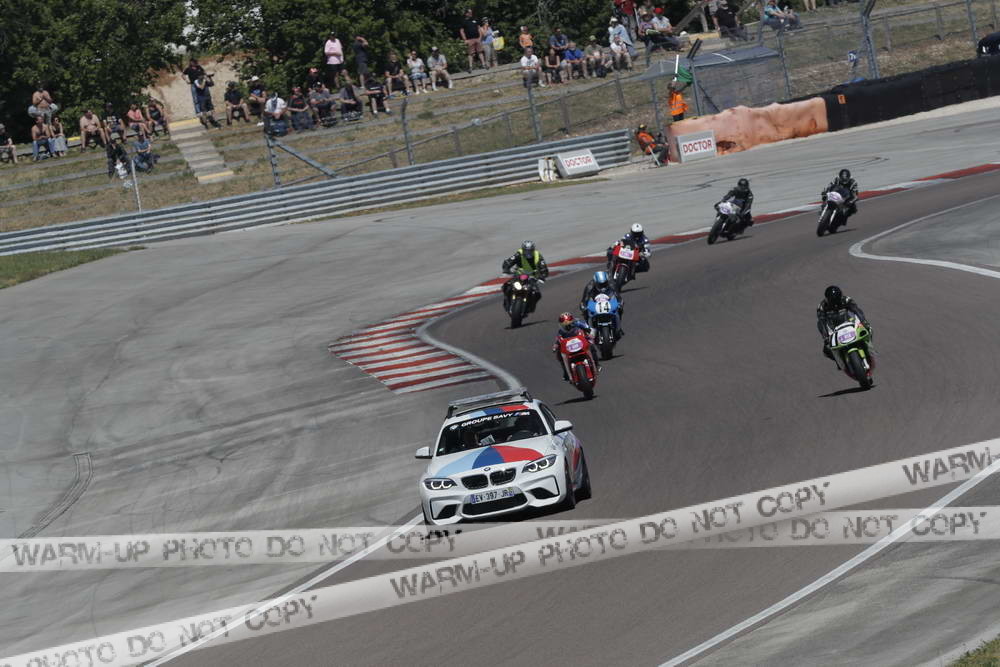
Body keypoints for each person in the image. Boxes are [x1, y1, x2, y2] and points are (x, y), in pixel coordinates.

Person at [816, 285, 869, 360]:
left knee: (868, 330)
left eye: (837, 300)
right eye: (833, 301)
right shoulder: (822, 307)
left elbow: (856, 310)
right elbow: (821, 322)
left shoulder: (846, 300)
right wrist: (826, 337)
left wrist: (864, 322)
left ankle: (870, 350)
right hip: (834, 329)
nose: (835, 304)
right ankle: (840, 361)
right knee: (826, 351)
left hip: (850, 323)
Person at [501, 240, 549, 310]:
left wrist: (542, 276)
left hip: (532, 277)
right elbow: (509, 261)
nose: (528, 252)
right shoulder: (519, 253)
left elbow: (543, 267)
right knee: (506, 285)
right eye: (526, 251)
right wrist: (506, 268)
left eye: (530, 251)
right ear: (523, 250)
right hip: (518, 274)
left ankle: (531, 306)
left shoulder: (537, 255)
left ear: (533, 250)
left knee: (537, 294)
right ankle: (506, 301)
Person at [553, 313, 601, 381]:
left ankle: (596, 364)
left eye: (569, 324)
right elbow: (558, 340)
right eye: (564, 325)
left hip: (581, 342)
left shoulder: (578, 324)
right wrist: (555, 346)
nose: (567, 327)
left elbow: (588, 329)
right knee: (559, 354)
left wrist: (590, 333)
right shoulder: (561, 332)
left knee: (591, 346)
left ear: (572, 321)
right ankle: (566, 372)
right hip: (570, 347)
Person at [579, 270, 624, 336]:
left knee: (619, 309)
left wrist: (620, 303)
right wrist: (583, 307)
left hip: (608, 298)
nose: (603, 287)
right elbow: (585, 299)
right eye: (600, 285)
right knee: (585, 312)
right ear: (595, 282)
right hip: (595, 300)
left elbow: (618, 296)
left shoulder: (612, 284)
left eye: (604, 284)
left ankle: (618, 328)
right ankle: (589, 330)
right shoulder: (589, 286)